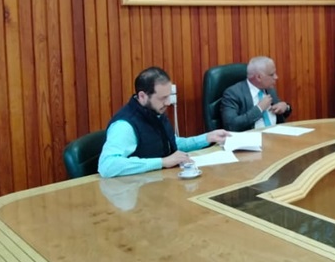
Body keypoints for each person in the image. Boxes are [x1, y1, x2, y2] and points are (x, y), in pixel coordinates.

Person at [98, 67, 229, 178]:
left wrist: (206, 138)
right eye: (163, 98)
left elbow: (169, 144)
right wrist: (162, 162)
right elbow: (107, 165)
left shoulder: (154, 111)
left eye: (169, 96)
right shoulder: (124, 125)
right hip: (135, 191)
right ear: (142, 96)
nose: (168, 102)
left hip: (159, 182)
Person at [220, 56, 291, 132]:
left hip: (276, 134)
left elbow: (280, 113)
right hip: (251, 137)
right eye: (272, 74)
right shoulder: (233, 93)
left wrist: (286, 107)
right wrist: (259, 109)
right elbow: (231, 126)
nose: (276, 77)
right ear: (259, 77)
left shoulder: (270, 89)